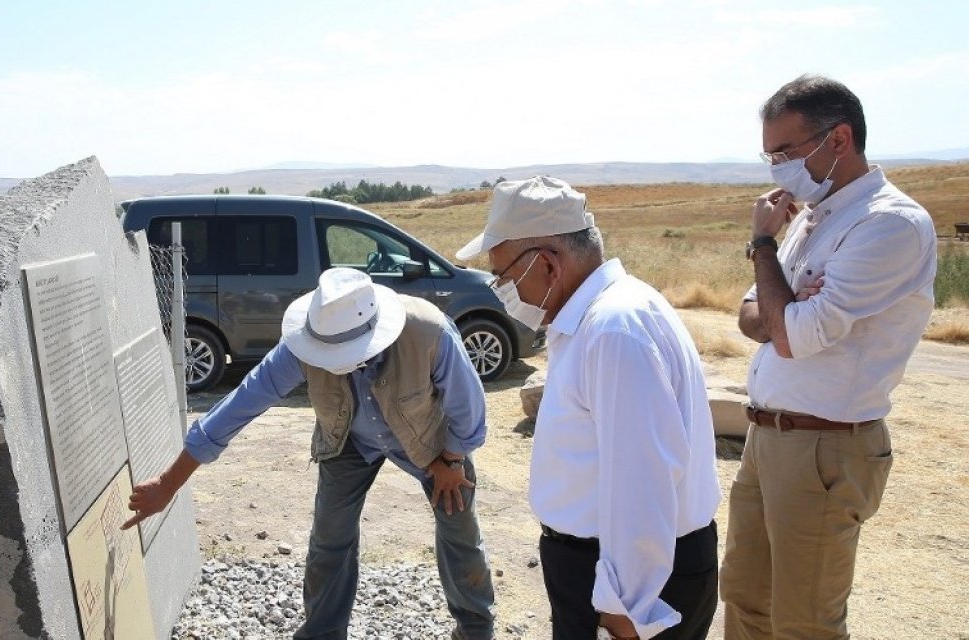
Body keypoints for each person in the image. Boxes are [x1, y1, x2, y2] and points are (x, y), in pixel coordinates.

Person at [121, 267, 496, 640]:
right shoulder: (302, 346)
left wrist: (451, 460)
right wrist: (170, 482)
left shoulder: (428, 332)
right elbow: (241, 403)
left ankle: (475, 630)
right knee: (330, 536)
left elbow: (470, 412)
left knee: (458, 527)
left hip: (433, 442)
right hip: (346, 437)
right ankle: (323, 633)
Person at [720, 74, 937, 639]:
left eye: (787, 151)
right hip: (767, 438)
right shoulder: (811, 216)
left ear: (838, 139)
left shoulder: (888, 224)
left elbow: (791, 337)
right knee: (744, 598)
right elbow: (751, 319)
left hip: (824, 447)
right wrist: (783, 307)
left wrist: (762, 247)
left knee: (804, 622)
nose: (777, 168)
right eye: (769, 154)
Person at [457, 176, 721, 640]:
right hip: (605, 566)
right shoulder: (597, 317)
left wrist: (626, 609)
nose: (500, 288)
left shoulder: (614, 330)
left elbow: (645, 477)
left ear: (546, 263)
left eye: (503, 276)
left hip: (628, 581)